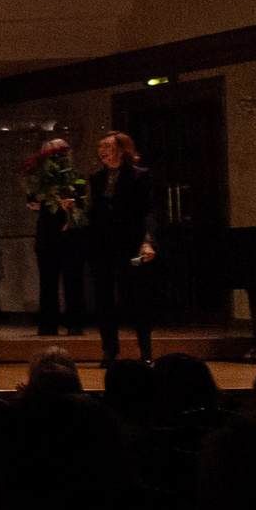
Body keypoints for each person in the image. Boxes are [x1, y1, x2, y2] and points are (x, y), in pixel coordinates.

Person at [86, 130, 158, 364]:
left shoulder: (140, 176)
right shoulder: (97, 179)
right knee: (103, 299)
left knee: (138, 298)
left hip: (131, 245)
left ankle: (145, 352)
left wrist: (147, 241)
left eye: (106, 146)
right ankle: (109, 350)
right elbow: (96, 213)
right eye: (100, 147)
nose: (102, 151)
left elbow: (148, 211)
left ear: (122, 149)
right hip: (103, 246)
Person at [27, 136, 90, 337]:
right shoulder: (39, 179)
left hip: (71, 233)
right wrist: (34, 202)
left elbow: (82, 202)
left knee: (73, 281)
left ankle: (75, 322)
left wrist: (72, 204)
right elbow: (34, 201)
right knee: (48, 281)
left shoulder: (75, 176)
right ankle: (48, 324)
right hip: (47, 232)